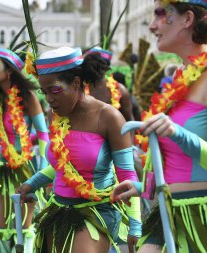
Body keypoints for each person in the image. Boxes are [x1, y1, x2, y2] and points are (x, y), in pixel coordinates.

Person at [112, 1, 207, 252]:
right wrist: (144, 187)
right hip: (171, 214)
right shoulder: (179, 81)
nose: (152, 25)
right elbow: (181, 164)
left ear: (187, 19)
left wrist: (178, 133)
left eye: (161, 14)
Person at [18, 47, 141, 253]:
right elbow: (62, 166)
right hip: (58, 210)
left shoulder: (109, 117)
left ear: (76, 83)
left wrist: (136, 225)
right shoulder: (54, 115)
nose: (48, 99)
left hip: (95, 213)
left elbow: (127, 176)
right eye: (44, 92)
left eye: (55, 90)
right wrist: (31, 184)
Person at [0, 47, 49, 251]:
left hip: (24, 168)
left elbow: (43, 134)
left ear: (10, 71)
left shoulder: (28, 97)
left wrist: (42, 171)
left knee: (23, 228)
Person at [84, 47, 134, 122]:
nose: (93, 69)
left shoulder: (120, 90)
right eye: (90, 65)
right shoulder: (81, 89)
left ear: (105, 68)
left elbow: (129, 121)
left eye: (97, 66)